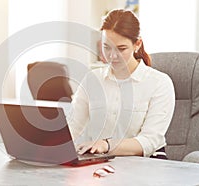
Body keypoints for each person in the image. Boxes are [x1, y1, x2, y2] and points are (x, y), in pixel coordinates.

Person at [67, 9, 175, 159]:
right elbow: (72, 127)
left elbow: (149, 141)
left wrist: (106, 145)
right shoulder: (92, 80)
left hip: (145, 165)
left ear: (137, 44)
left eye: (121, 48)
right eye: (106, 47)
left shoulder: (159, 83)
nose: (112, 56)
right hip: (100, 164)